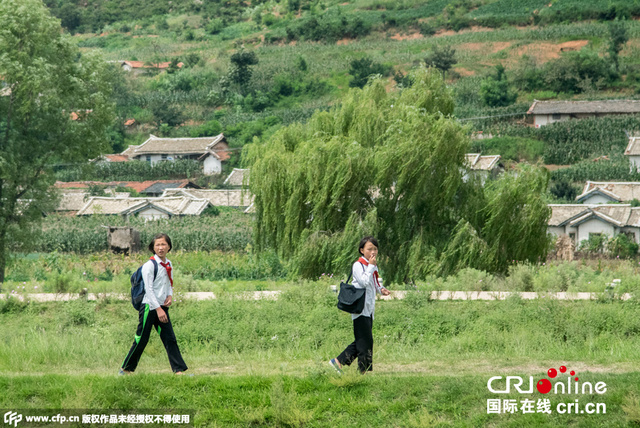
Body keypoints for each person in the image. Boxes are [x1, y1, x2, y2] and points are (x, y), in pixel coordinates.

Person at [120, 233, 188, 375]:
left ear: (169, 246)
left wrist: (169, 295)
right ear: (153, 248)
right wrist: (158, 309)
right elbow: (148, 290)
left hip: (161, 307)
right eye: (157, 245)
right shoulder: (149, 266)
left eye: (163, 244)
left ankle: (178, 371)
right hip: (149, 307)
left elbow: (169, 283)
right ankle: (126, 369)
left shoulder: (168, 264)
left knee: (170, 338)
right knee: (141, 339)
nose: (161, 248)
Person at [330, 236, 390, 374]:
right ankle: (362, 371)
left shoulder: (372, 266)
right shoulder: (358, 265)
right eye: (369, 249)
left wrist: (381, 289)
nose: (373, 252)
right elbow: (363, 282)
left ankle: (338, 362)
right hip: (360, 308)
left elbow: (374, 283)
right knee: (365, 341)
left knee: (363, 340)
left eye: (375, 249)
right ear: (362, 250)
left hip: (369, 308)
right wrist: (370, 266)